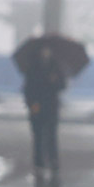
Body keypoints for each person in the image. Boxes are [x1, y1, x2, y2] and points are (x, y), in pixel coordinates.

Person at [22, 45, 67, 178]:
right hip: (37, 105)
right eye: (43, 50)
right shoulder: (32, 68)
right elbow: (28, 88)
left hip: (51, 106)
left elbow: (62, 85)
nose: (45, 53)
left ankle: (53, 160)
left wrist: (55, 81)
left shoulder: (56, 67)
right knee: (38, 135)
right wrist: (31, 104)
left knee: (51, 134)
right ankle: (39, 161)